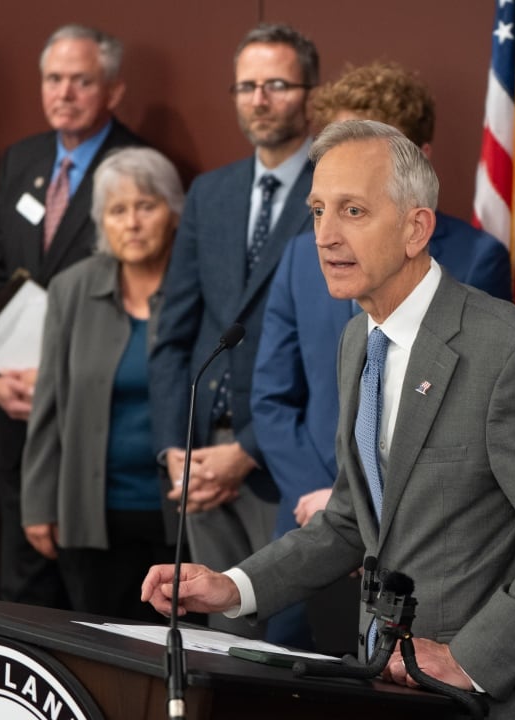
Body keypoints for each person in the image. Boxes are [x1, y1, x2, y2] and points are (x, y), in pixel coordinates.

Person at [143, 120, 515, 720]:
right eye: (318, 210)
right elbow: (352, 518)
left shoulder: (504, 351)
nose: (324, 235)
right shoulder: (357, 342)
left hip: (492, 718)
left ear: (416, 228)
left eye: (353, 211)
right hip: (387, 708)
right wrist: (235, 586)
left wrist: (469, 659)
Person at [251, 60, 510, 648]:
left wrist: (371, 510)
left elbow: (465, 419)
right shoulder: (300, 256)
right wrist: (325, 501)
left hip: (419, 547)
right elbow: (270, 397)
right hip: (306, 520)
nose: (331, 229)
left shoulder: (476, 260)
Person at [149, 23, 319, 640]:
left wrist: (246, 451)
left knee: (281, 638)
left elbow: (330, 352)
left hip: (282, 459)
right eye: (247, 86)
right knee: (215, 640)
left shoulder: (332, 191)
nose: (259, 99)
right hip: (197, 464)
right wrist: (175, 449)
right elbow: (174, 334)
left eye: (277, 84)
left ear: (310, 94)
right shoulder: (209, 193)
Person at [0, 24, 143, 610]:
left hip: (87, 423)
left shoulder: (137, 168)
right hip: (14, 411)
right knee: (21, 595)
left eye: (81, 81)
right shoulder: (23, 158)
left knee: (91, 604)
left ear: (114, 90)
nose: (64, 93)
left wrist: (54, 379)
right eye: (53, 79)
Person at [21, 147, 183, 621]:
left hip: (181, 516)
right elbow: (48, 404)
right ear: (101, 222)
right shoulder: (71, 288)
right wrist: (38, 503)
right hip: (92, 513)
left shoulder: (198, 286)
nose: (132, 223)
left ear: (174, 212)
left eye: (146, 206)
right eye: (117, 210)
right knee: (100, 644)